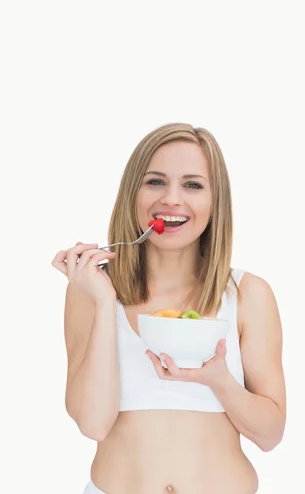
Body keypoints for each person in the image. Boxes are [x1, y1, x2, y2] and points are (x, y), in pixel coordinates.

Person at [52, 122, 286, 494]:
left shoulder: (248, 294)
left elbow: (270, 434)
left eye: (192, 185)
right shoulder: (90, 292)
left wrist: (219, 381)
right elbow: (93, 424)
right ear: (133, 193)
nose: (172, 199)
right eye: (155, 182)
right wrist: (103, 302)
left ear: (215, 201)